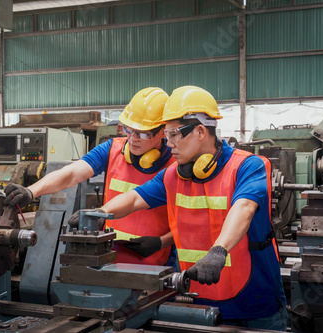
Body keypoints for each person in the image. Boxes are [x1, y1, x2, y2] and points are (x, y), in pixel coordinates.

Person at [85, 86, 287, 331]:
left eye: (173, 134)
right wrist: (99, 214)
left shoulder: (248, 166)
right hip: (198, 301)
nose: (168, 143)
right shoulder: (173, 175)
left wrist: (218, 251)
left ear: (200, 131)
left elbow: (243, 207)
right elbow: (135, 199)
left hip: (253, 304)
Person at [4, 87, 177, 266]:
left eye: (142, 133)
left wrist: (161, 242)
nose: (132, 138)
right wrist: (31, 192)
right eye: (128, 129)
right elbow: (70, 173)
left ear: (163, 130)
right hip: (110, 257)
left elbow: (191, 222)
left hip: (157, 262)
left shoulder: (175, 165)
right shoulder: (112, 150)